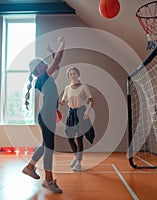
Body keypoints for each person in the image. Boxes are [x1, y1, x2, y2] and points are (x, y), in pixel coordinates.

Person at [22, 36, 65, 193]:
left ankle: (30, 167)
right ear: (38, 68)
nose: (44, 63)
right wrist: (61, 44)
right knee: (49, 147)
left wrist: (54, 52)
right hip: (46, 116)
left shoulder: (46, 78)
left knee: (46, 145)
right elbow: (57, 61)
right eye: (42, 62)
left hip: (47, 115)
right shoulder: (43, 77)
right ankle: (48, 180)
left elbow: (57, 67)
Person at [60, 66, 95, 172]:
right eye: (71, 74)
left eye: (74, 73)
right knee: (70, 138)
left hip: (81, 112)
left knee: (79, 139)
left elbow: (91, 101)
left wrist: (87, 111)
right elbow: (63, 102)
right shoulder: (67, 89)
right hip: (71, 113)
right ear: (68, 76)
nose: (73, 76)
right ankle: (76, 156)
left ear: (78, 75)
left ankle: (79, 163)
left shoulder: (84, 87)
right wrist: (55, 101)